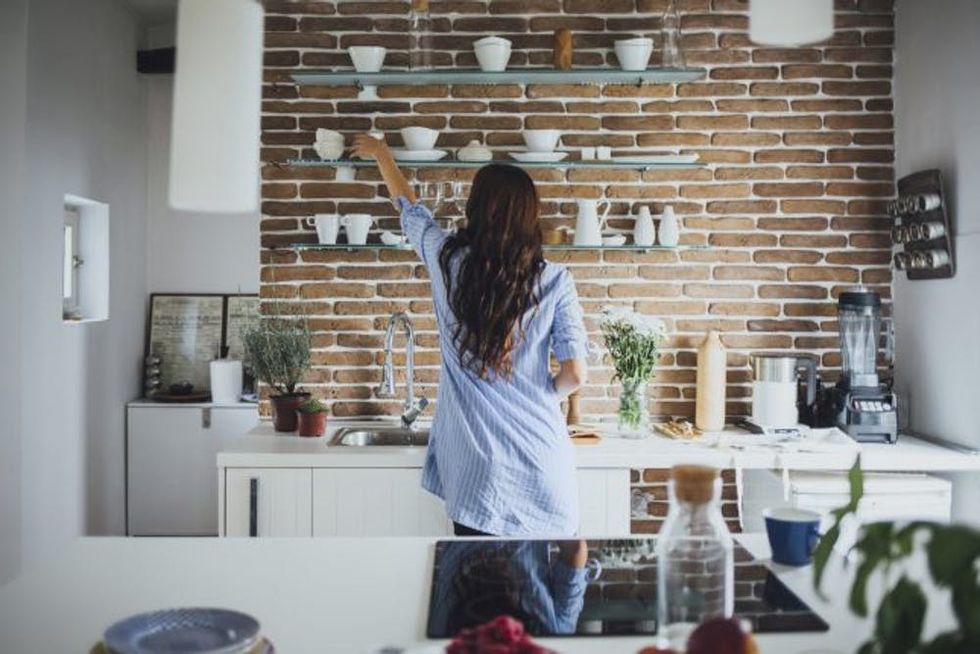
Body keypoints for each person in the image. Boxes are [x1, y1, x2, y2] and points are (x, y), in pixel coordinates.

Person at [352, 134, 589, 537]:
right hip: (544, 467)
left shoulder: (448, 262)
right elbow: (576, 375)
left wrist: (381, 154)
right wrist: (541, 394)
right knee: (541, 595)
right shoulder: (555, 280)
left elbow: (410, 210)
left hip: (480, 481)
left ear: (475, 209)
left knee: (478, 595)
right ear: (531, 217)